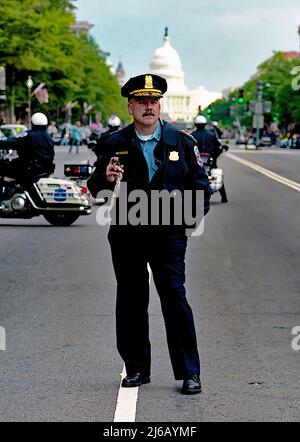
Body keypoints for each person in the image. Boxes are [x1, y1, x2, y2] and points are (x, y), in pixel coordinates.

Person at [87, 74, 211, 395]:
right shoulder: (113, 142)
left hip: (168, 234)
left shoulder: (182, 141)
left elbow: (200, 188)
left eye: (153, 101)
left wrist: (186, 222)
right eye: (141, 101)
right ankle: (137, 368)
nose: (148, 107)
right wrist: (105, 176)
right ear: (130, 107)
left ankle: (189, 372)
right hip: (128, 231)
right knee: (131, 298)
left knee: (173, 295)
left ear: (160, 106)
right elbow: (95, 187)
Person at [0, 112, 55, 185]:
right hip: (46, 168)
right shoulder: (48, 137)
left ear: (32, 123)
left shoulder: (29, 136)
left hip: (29, 168)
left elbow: (12, 142)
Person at [191, 115, 228, 203]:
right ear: (205, 124)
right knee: (216, 175)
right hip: (211, 161)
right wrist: (214, 157)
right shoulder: (211, 135)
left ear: (196, 124)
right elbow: (218, 148)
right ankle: (224, 197)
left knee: (191, 177)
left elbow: (188, 150)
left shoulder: (192, 136)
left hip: (196, 163)